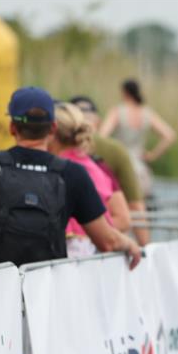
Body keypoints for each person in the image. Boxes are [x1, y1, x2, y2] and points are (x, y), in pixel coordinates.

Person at [0, 86, 142, 277]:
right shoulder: (72, 174)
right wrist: (131, 245)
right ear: (52, 128)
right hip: (41, 294)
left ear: (12, 127)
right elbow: (108, 241)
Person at [49, 101, 132, 258]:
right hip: (92, 252)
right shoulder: (95, 167)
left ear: (52, 133)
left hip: (69, 253)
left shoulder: (62, 169)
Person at [71, 94, 150, 245]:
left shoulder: (57, 150)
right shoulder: (115, 151)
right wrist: (145, 247)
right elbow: (135, 204)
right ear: (97, 121)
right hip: (108, 240)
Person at [100, 79, 177, 208]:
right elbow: (169, 135)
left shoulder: (118, 112)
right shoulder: (147, 113)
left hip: (121, 165)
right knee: (140, 209)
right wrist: (152, 155)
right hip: (140, 168)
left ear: (124, 92)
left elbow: (102, 135)